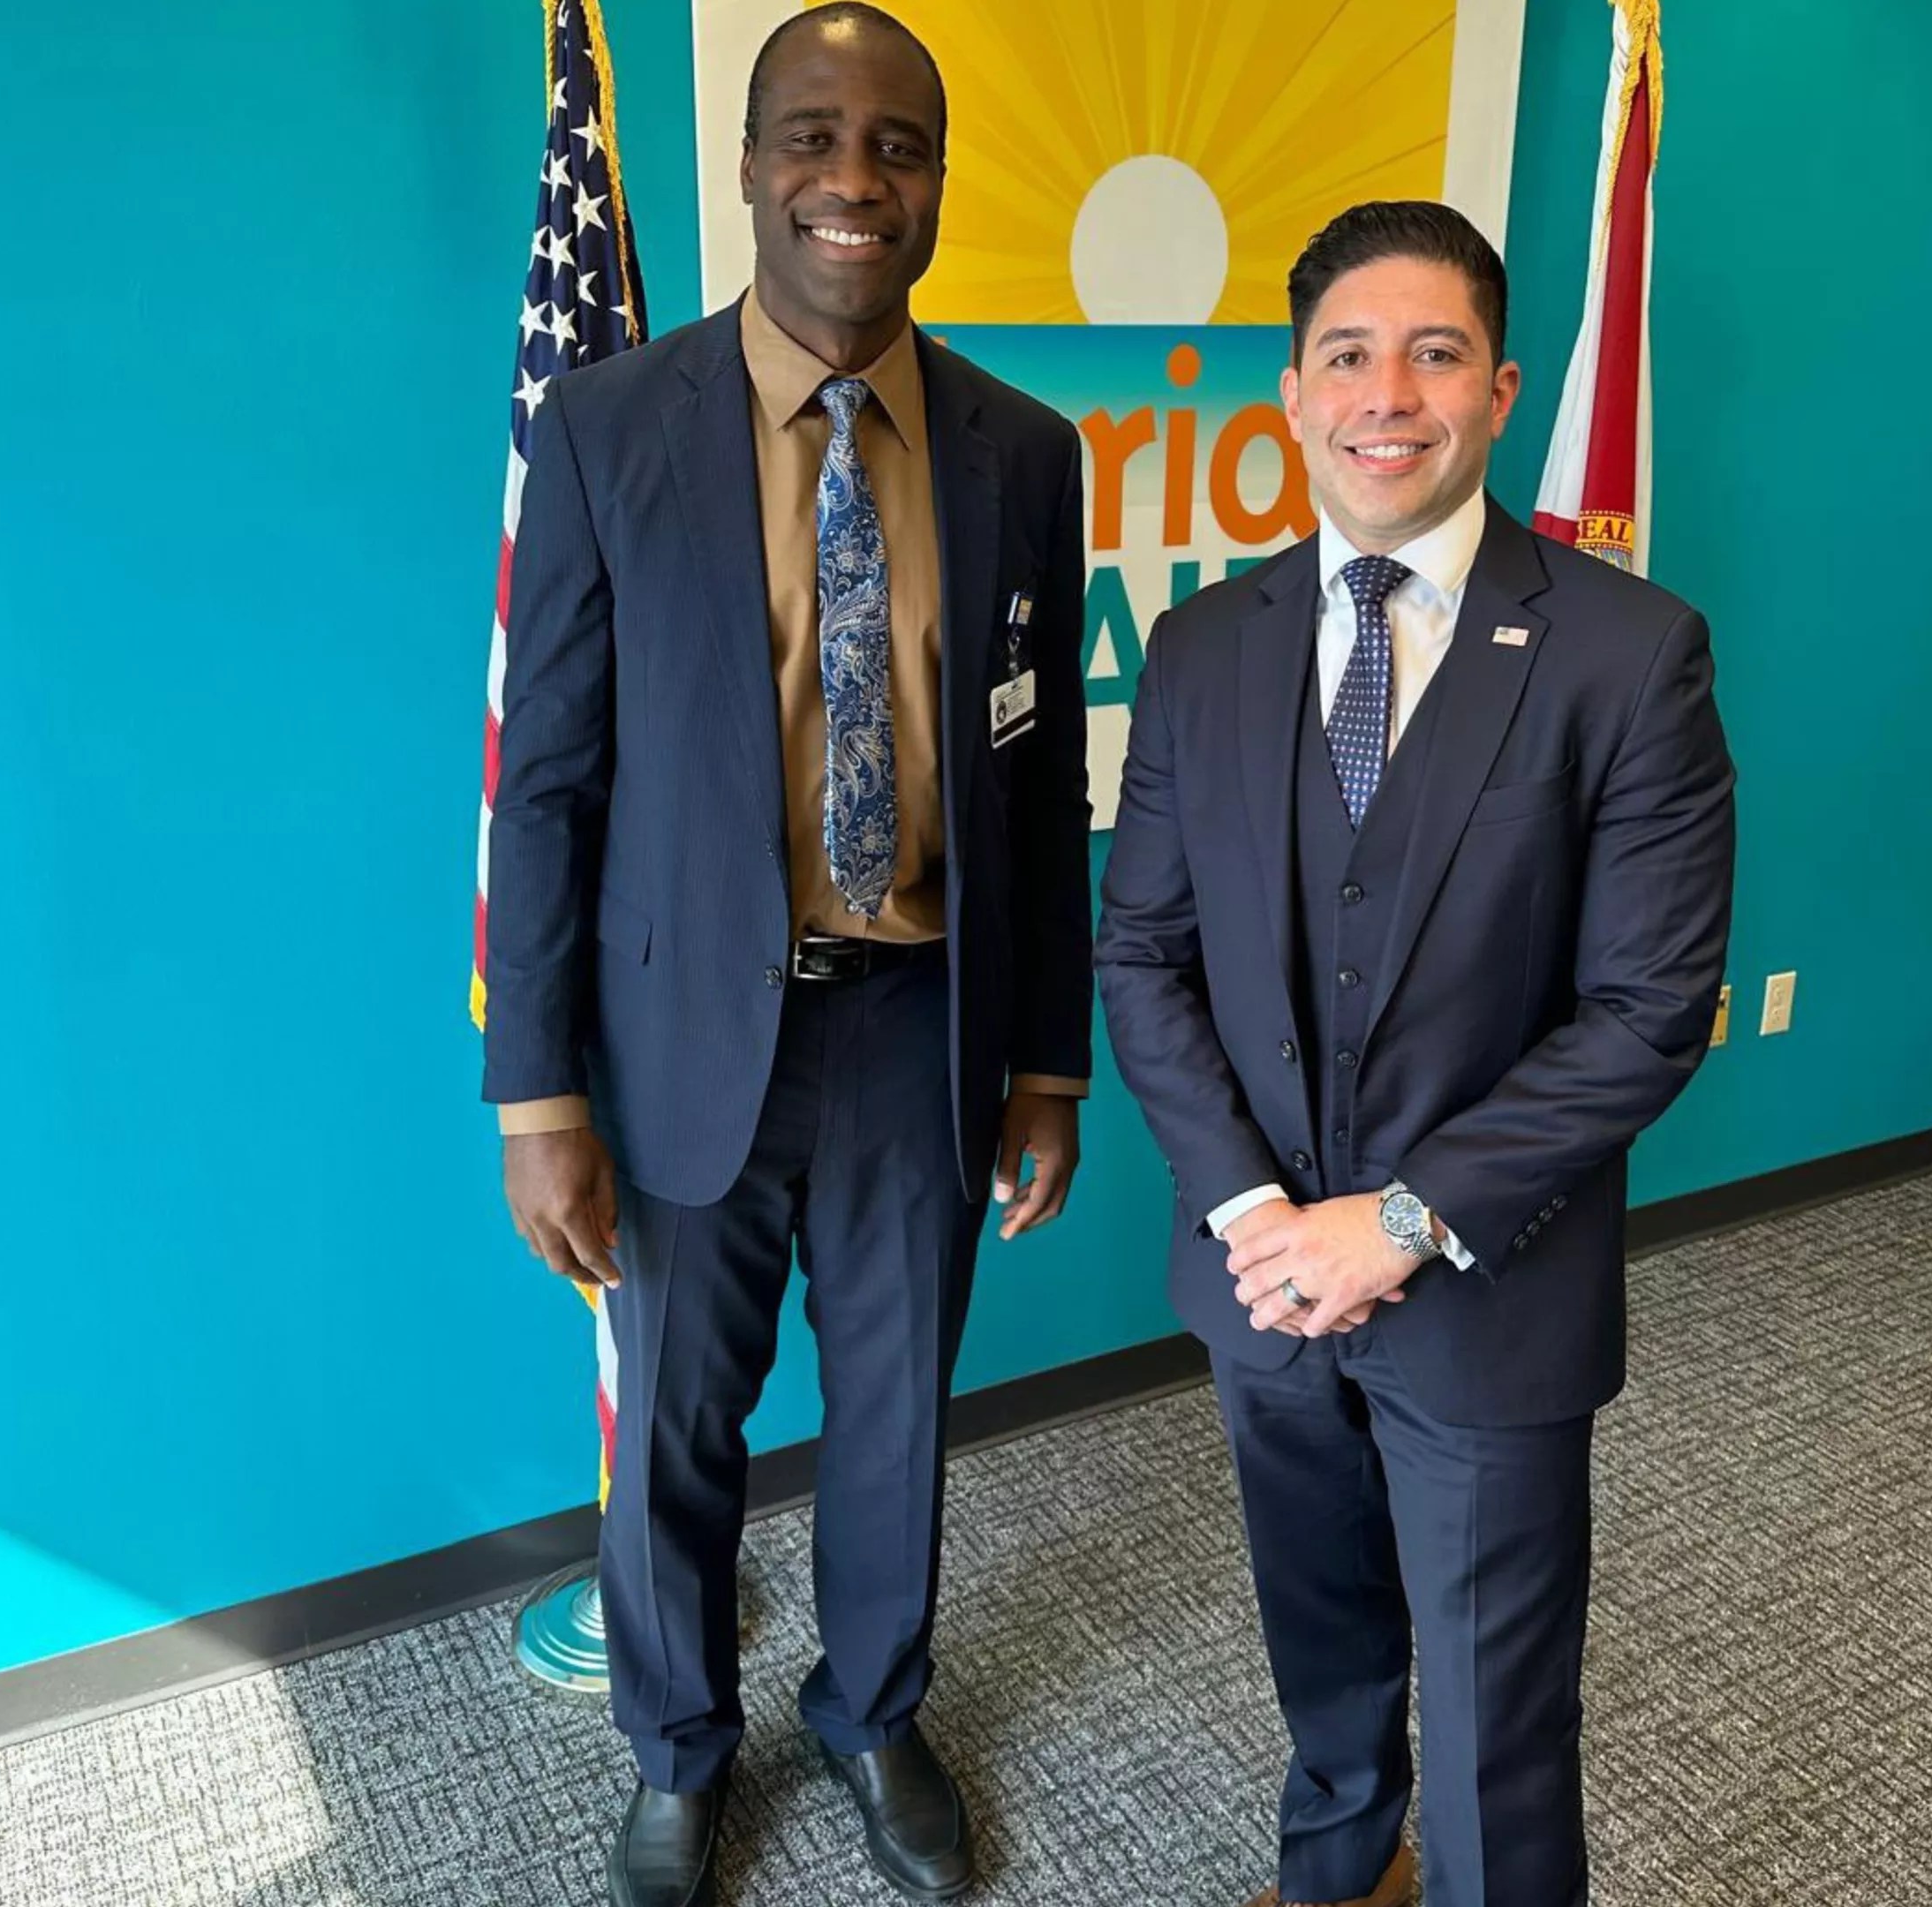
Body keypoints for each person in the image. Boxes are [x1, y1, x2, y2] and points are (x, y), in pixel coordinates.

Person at [482, 7, 1092, 1903]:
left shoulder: (1022, 449)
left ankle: (872, 1709)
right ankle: (677, 1747)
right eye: (812, 138)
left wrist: (1048, 1063)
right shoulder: (606, 428)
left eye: (895, 145)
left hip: (920, 1029)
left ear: (931, 182)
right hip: (675, 1044)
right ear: (749, 166)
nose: (854, 180)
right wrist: (539, 1095)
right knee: (675, 1424)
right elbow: (548, 777)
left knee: (898, 1419)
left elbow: (1038, 769)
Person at [1095, 200, 1736, 1907]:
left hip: (1483, 1295)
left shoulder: (1627, 652)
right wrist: (1251, 1214)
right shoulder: (1202, 647)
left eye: (1434, 352)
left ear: (1501, 388)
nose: (1390, 393)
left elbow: (1646, 1011)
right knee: (1320, 1649)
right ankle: (1332, 1873)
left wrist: (1388, 1224)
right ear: (1292, 395)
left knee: (1494, 1720)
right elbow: (1143, 955)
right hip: (1257, 1289)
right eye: (1349, 355)